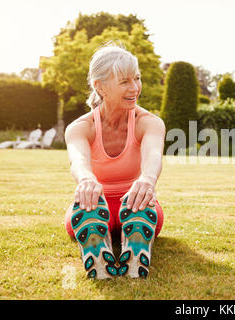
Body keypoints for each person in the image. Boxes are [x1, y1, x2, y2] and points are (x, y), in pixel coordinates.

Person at [63, 43, 165, 279]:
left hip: (136, 200)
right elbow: (78, 160)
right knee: (85, 210)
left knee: (141, 207)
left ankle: (132, 239)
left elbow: (153, 155)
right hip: (94, 203)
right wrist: (86, 180)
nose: (135, 88)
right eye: (125, 81)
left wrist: (147, 180)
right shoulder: (80, 127)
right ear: (100, 87)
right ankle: (100, 246)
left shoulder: (149, 122)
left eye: (137, 79)